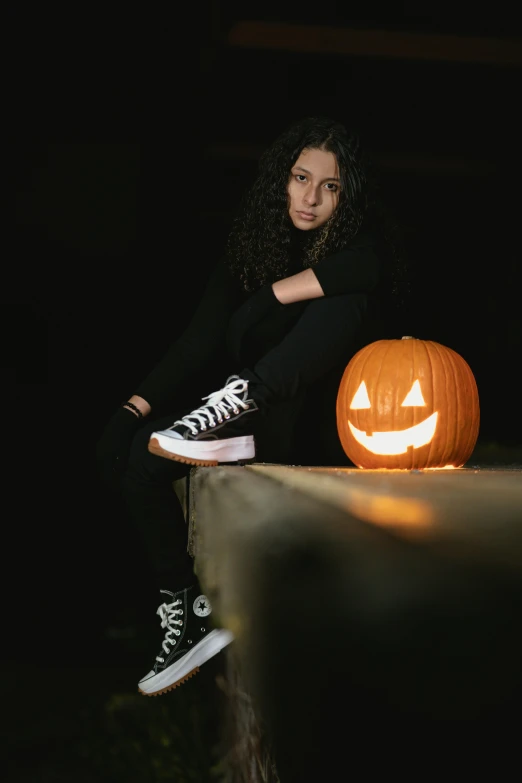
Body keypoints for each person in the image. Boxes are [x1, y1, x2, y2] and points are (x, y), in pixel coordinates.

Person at [96, 115, 408, 697]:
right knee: (139, 458)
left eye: (331, 186)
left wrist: (274, 295)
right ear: (281, 181)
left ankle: (244, 402)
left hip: (315, 428)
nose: (311, 197)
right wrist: (132, 409)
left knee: (348, 302)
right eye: (300, 178)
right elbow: (197, 342)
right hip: (239, 421)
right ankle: (186, 611)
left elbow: (372, 269)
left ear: (348, 196)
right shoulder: (252, 250)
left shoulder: (359, 253)